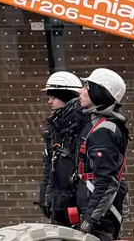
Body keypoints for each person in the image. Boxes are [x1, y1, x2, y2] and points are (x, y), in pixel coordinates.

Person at [73, 67, 131, 241]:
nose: (80, 91)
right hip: (95, 210)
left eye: (86, 87)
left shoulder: (104, 131)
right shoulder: (95, 124)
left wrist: (90, 218)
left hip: (101, 217)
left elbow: (107, 181)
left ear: (98, 93)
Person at [38, 71, 88, 226]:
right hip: (59, 202)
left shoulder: (82, 126)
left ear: (65, 97)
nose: (49, 102)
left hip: (77, 203)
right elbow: (50, 165)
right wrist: (46, 196)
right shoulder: (55, 128)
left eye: (53, 97)